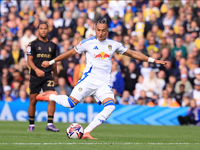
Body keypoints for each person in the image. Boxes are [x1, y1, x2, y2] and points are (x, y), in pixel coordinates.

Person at [36, 19, 168, 139]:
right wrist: (51, 62)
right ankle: (52, 96)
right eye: (98, 30)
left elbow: (132, 53)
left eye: (103, 30)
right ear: (95, 29)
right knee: (70, 104)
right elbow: (70, 53)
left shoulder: (114, 44)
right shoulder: (87, 43)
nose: (100, 33)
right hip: (88, 80)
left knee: (110, 107)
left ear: (107, 30)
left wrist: (153, 60)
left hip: (103, 83)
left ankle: (86, 132)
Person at [27, 22, 59, 132]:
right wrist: (36, 70)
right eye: (41, 29)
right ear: (38, 30)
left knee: (52, 98)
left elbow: (54, 62)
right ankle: (31, 125)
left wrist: (56, 75)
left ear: (48, 30)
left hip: (48, 75)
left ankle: (50, 124)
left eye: (45, 29)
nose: (43, 30)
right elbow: (29, 60)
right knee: (33, 100)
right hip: (35, 76)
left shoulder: (53, 45)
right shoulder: (32, 44)